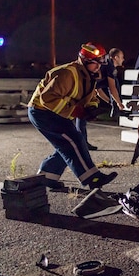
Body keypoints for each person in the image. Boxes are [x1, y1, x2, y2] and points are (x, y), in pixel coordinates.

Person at [27, 42, 118, 189]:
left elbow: (90, 97)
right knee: (74, 140)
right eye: (96, 63)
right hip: (42, 112)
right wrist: (76, 111)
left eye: (100, 63)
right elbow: (47, 99)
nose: (99, 67)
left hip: (55, 113)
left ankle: (47, 176)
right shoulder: (67, 73)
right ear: (85, 61)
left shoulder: (89, 75)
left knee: (68, 145)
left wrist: (91, 109)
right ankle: (92, 178)